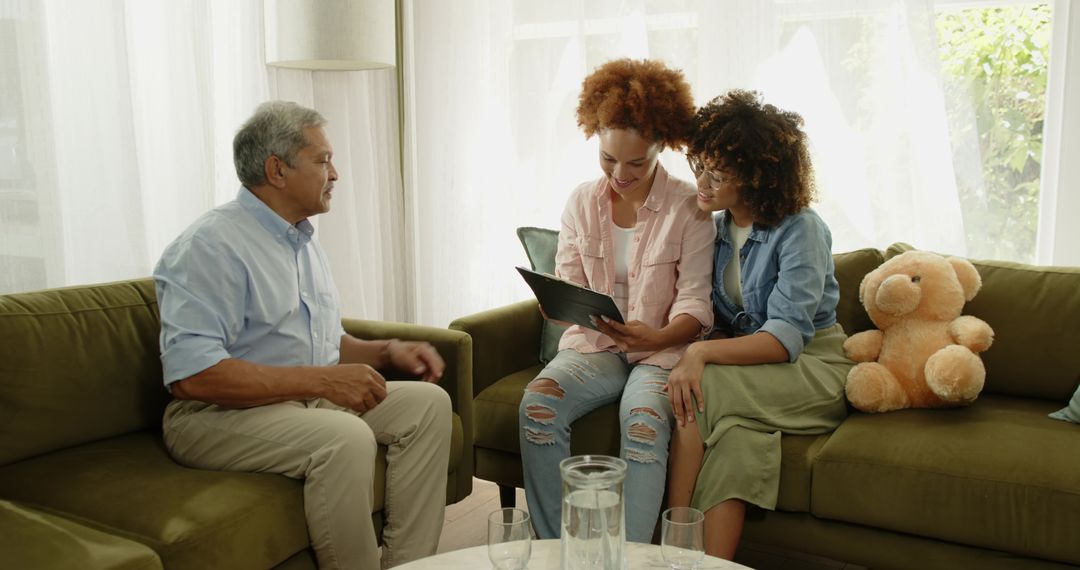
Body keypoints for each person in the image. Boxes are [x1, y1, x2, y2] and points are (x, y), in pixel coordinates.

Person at [154, 101, 451, 569]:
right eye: (323, 160)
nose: (336, 174)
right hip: (214, 415)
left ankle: (410, 564)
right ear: (277, 170)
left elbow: (325, 342)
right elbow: (193, 377)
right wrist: (321, 382)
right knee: (346, 437)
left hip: (295, 403)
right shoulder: (210, 246)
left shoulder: (300, 239)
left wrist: (388, 350)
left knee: (428, 406)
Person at [520, 58, 716, 542]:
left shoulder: (690, 207)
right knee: (536, 408)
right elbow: (568, 277)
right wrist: (559, 304)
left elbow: (696, 301)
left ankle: (629, 559)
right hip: (597, 346)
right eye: (609, 159)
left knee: (645, 423)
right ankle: (554, 550)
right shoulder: (581, 202)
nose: (620, 173)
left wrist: (660, 336)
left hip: (661, 352)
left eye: (636, 162)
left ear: (660, 147)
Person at [664, 90, 854, 559]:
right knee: (738, 448)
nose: (702, 183)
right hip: (762, 370)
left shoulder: (801, 229)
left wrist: (700, 352)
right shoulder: (720, 226)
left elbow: (784, 338)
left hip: (817, 367)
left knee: (699, 393)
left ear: (757, 179)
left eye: (719, 174)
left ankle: (667, 550)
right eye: (700, 167)